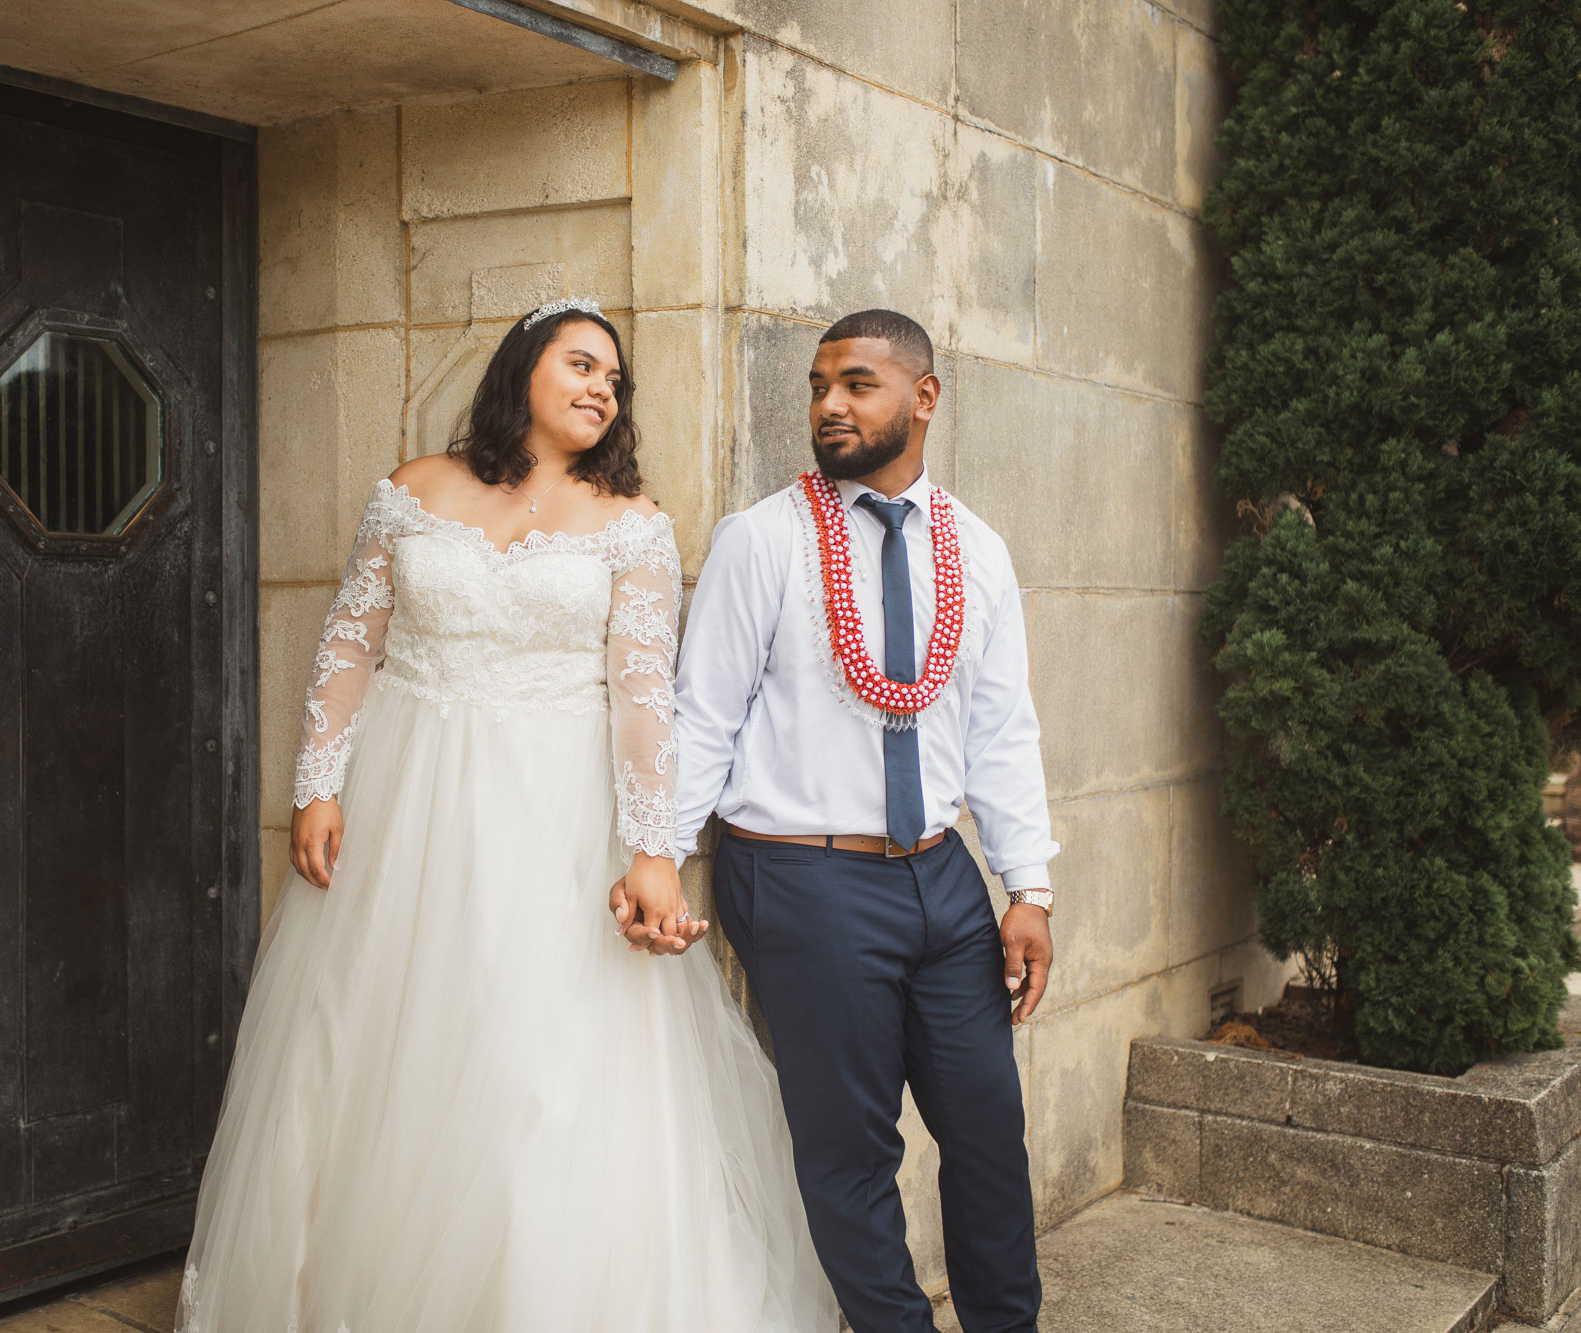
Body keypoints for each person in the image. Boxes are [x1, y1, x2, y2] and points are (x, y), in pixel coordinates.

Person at [176, 298, 837, 1333]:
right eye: (579, 364)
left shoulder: (633, 525)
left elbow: (642, 700)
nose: (598, 388)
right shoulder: (410, 491)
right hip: (408, 807)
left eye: (612, 380)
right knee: (377, 1039)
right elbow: (352, 643)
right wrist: (316, 782)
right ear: (522, 368)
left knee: (536, 1053)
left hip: (553, 818)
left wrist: (651, 852)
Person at [672, 308, 1060, 1333]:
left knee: (985, 1128)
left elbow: (1000, 729)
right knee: (850, 1153)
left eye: (856, 383)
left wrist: (1028, 887)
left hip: (943, 878)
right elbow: (700, 716)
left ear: (922, 396)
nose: (829, 405)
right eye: (817, 385)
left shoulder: (974, 550)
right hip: (805, 880)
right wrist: (660, 858)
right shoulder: (761, 540)